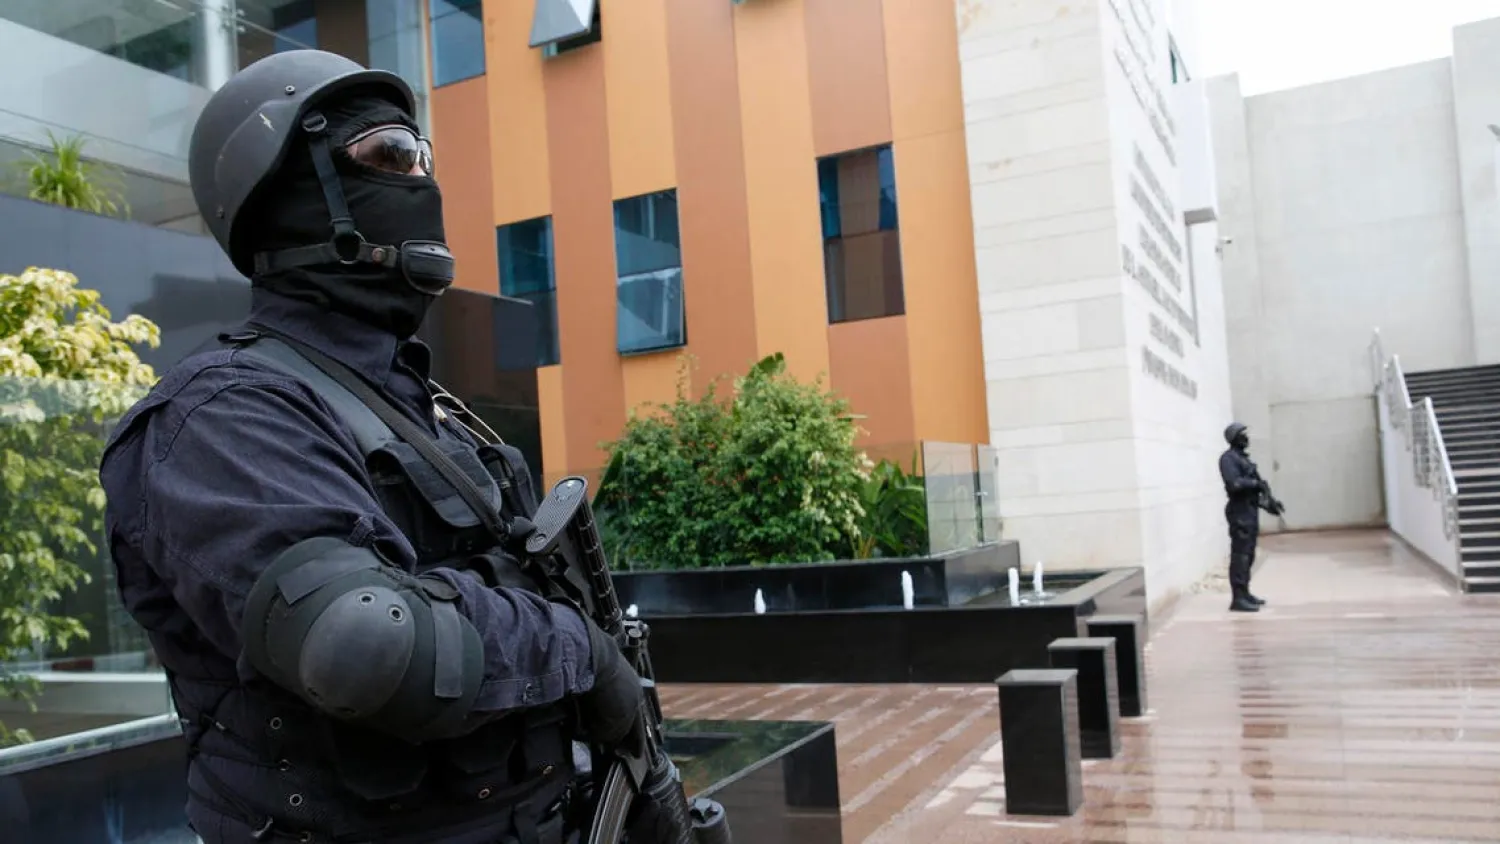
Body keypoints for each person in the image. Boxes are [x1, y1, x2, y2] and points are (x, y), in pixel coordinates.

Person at [99, 50, 647, 844]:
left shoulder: (432, 412)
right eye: (391, 157)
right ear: (285, 197)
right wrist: (584, 655)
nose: (423, 185)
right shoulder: (222, 412)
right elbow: (364, 644)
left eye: (426, 160)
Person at [1218, 422, 1284, 613]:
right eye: (1243, 434)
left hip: (1249, 510)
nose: (1247, 438)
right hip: (1239, 513)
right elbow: (1234, 484)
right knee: (1240, 556)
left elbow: (1256, 490)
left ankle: (1245, 592)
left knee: (1249, 555)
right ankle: (1237, 598)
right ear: (1235, 437)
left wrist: (1269, 503)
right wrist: (1255, 483)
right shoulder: (1228, 459)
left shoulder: (1243, 459)